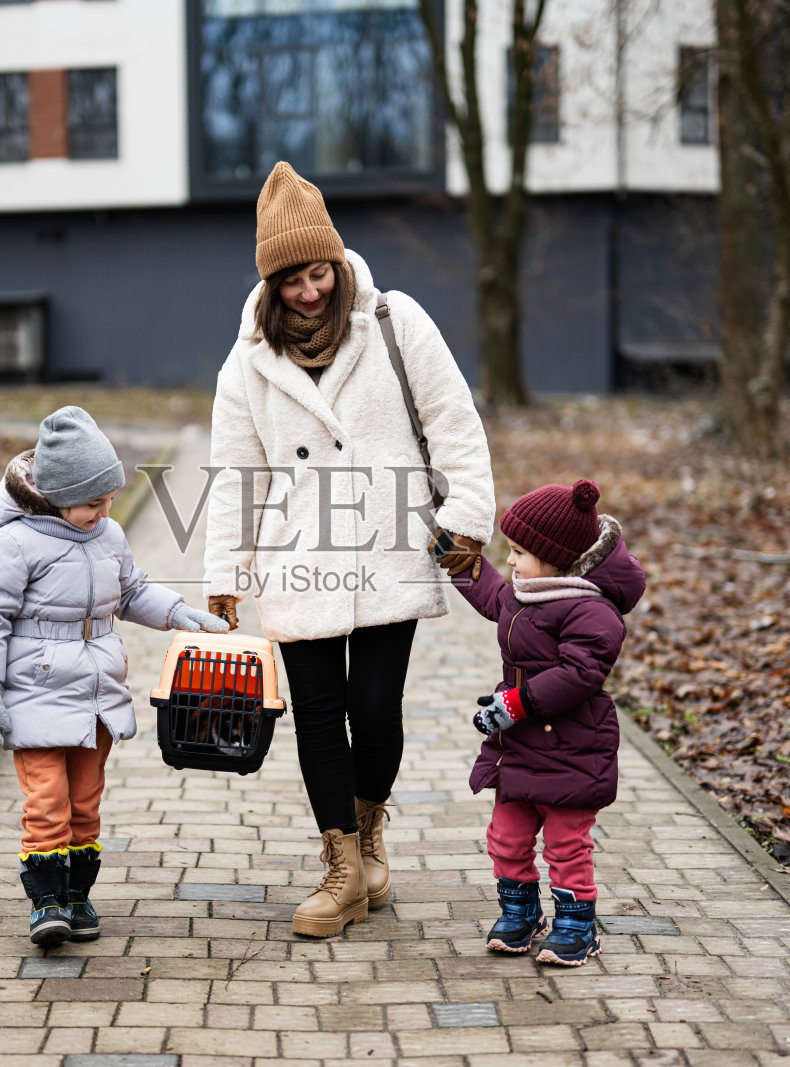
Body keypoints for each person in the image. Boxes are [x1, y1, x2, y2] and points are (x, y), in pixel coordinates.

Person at [203, 161, 496, 937]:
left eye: (319, 271)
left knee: (376, 705)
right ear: (270, 283)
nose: (311, 292)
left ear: (336, 259)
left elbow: (454, 420)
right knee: (318, 714)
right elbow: (236, 474)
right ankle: (340, 868)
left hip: (386, 546)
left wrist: (465, 517)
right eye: (293, 280)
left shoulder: (394, 320)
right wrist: (226, 573)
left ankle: (370, 836)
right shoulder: (247, 363)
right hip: (299, 556)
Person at [0, 406, 229, 946]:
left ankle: (78, 897)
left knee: (85, 802)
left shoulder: (108, 535)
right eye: (91, 502)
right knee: (47, 802)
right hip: (33, 693)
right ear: (54, 496)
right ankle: (46, 903)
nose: (104, 510)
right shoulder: (11, 547)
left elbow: (131, 592)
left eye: (109, 498)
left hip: (96, 696)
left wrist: (179, 613)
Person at [454, 478, 645, 965]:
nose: (511, 561)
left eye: (519, 551)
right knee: (507, 836)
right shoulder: (527, 593)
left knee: (565, 843)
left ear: (556, 556)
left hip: (571, 747)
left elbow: (580, 672)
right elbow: (491, 592)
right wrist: (451, 556)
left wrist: (515, 705)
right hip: (519, 748)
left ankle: (577, 926)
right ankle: (520, 913)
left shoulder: (593, 611)